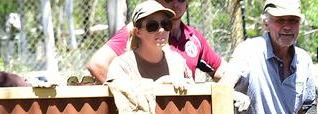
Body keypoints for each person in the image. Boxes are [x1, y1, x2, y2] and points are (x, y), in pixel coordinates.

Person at [86, 0, 228, 83]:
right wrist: (132, 98)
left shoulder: (193, 37)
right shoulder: (137, 29)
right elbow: (97, 65)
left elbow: (220, 70)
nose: (175, 4)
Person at [104, 1, 191, 84]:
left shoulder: (177, 62)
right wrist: (159, 85)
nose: (161, 30)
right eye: (152, 26)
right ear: (137, 32)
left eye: (166, 24)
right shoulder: (122, 66)